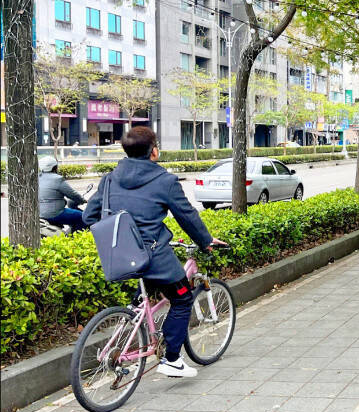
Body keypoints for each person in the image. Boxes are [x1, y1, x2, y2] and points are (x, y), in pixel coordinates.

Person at [83, 126, 227, 379]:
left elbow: (88, 216)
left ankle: (133, 329)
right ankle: (171, 360)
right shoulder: (165, 181)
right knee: (182, 298)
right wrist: (204, 240)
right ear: (154, 151)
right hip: (152, 256)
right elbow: (187, 216)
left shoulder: (109, 178)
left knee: (142, 299)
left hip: (118, 253)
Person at [38, 156, 90, 231]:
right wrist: (83, 200)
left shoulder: (38, 178)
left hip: (40, 213)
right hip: (56, 214)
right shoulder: (57, 179)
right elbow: (72, 194)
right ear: (54, 167)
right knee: (82, 217)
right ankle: (74, 238)